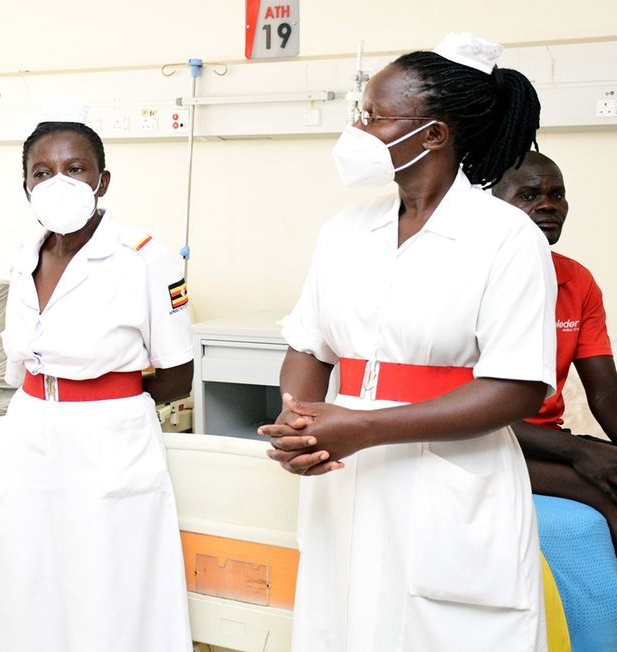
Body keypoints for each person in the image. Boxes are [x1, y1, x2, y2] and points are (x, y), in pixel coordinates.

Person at [260, 33, 553, 651]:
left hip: (449, 478)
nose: (358, 130)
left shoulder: (505, 238)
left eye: (375, 116)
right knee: (341, 627)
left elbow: (517, 388)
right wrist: (299, 424)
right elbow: (309, 347)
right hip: (344, 474)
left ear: (434, 134)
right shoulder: (344, 231)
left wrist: (366, 427)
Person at [0, 112, 195, 652]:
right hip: (28, 429)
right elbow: (22, 366)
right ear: (26, 186)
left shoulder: (144, 258)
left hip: (109, 437)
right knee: (21, 577)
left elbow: (177, 374)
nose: (58, 182)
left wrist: (105, 398)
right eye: (42, 173)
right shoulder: (26, 259)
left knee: (106, 586)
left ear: (101, 181)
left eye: (75, 169)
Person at [492, 151, 617, 547]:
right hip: (482, 444)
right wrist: (578, 451)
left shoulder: (576, 280)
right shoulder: (474, 280)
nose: (547, 205)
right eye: (528, 196)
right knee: (608, 497)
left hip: (546, 442)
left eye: (556, 194)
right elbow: (470, 410)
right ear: (495, 208)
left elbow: (605, 393)